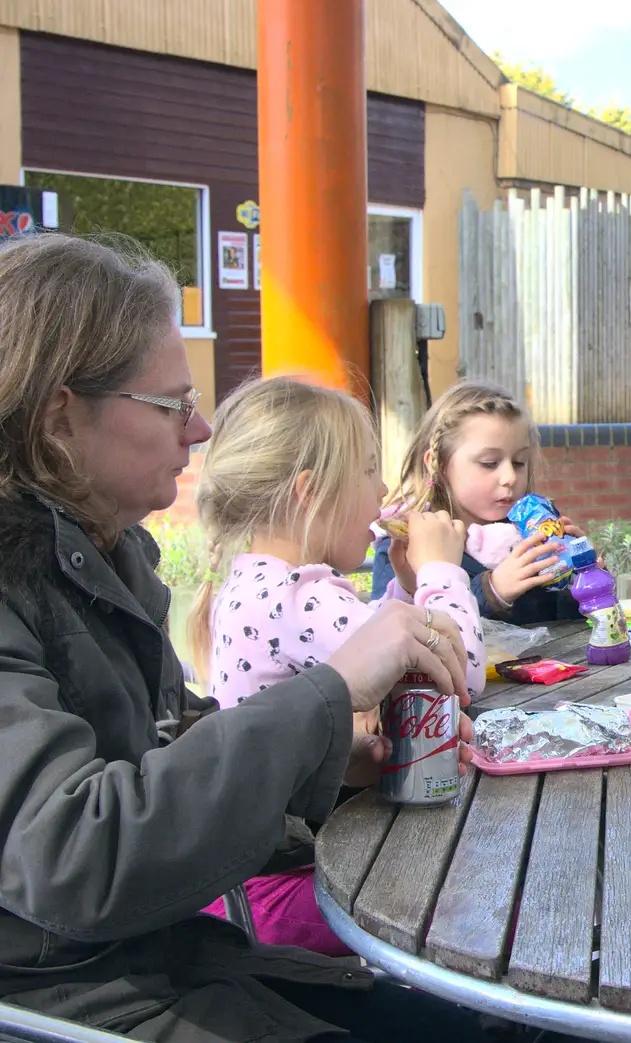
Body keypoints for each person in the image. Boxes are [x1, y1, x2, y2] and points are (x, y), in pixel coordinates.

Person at [0, 234, 496, 1042]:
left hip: (170, 958)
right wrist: (330, 692)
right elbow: (76, 855)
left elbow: (160, 750)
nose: (198, 428)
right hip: (79, 1001)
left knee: (479, 1023)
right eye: (171, 404)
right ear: (61, 418)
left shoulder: (97, 559)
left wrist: (327, 751)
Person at [190, 377, 487, 956]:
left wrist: (404, 592)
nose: (382, 491)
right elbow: (460, 673)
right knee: (481, 899)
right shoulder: (297, 596)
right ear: (310, 492)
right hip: (289, 894)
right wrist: (442, 572)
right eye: (369, 470)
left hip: (249, 886)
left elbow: (378, 642)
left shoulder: (257, 584)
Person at [372, 381, 584, 625]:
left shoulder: (532, 534)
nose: (510, 478)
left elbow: (562, 629)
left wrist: (579, 584)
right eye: (489, 463)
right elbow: (394, 629)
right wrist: (491, 591)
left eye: (519, 462)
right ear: (438, 464)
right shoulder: (407, 543)